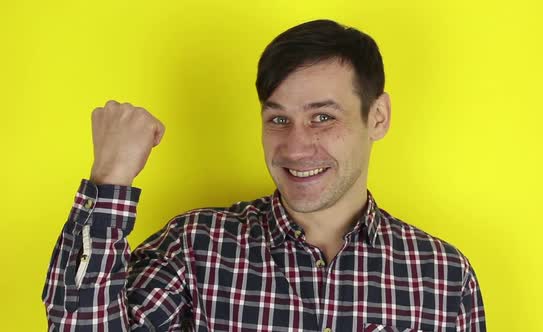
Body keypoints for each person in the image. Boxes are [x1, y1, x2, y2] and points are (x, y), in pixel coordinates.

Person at [42, 19, 486, 332]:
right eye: (278, 120)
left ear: (379, 117)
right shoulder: (196, 248)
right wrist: (110, 178)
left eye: (322, 118)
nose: (294, 147)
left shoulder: (443, 276)